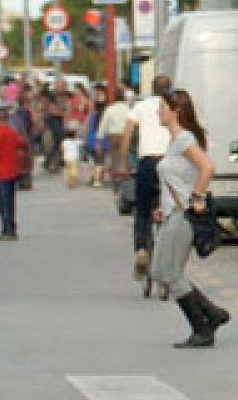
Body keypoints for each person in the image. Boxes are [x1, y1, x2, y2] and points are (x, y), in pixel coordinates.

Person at [149, 89, 230, 348]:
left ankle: (202, 326)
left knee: (170, 273)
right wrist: (163, 205)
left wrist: (196, 197)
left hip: (182, 214)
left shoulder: (184, 139)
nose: (158, 112)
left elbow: (208, 167)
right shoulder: (175, 142)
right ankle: (212, 314)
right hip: (172, 212)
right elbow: (178, 177)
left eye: (162, 108)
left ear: (176, 111)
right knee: (160, 271)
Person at [120, 75, 174, 280]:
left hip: (147, 162)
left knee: (142, 209)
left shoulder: (140, 107)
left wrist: (125, 165)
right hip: (169, 161)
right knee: (171, 208)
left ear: (151, 88)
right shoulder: (173, 106)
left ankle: (142, 248)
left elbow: (127, 136)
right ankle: (169, 252)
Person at [0, 106, 28, 241]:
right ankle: (11, 229)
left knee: (3, 203)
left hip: (1, 173)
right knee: (10, 202)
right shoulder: (12, 132)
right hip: (12, 171)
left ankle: (7, 230)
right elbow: (21, 145)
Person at [95, 83, 132, 188]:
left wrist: (99, 139)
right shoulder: (128, 109)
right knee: (125, 157)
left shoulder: (109, 109)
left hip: (113, 136)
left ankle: (116, 178)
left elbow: (103, 125)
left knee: (115, 158)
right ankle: (125, 178)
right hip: (126, 135)